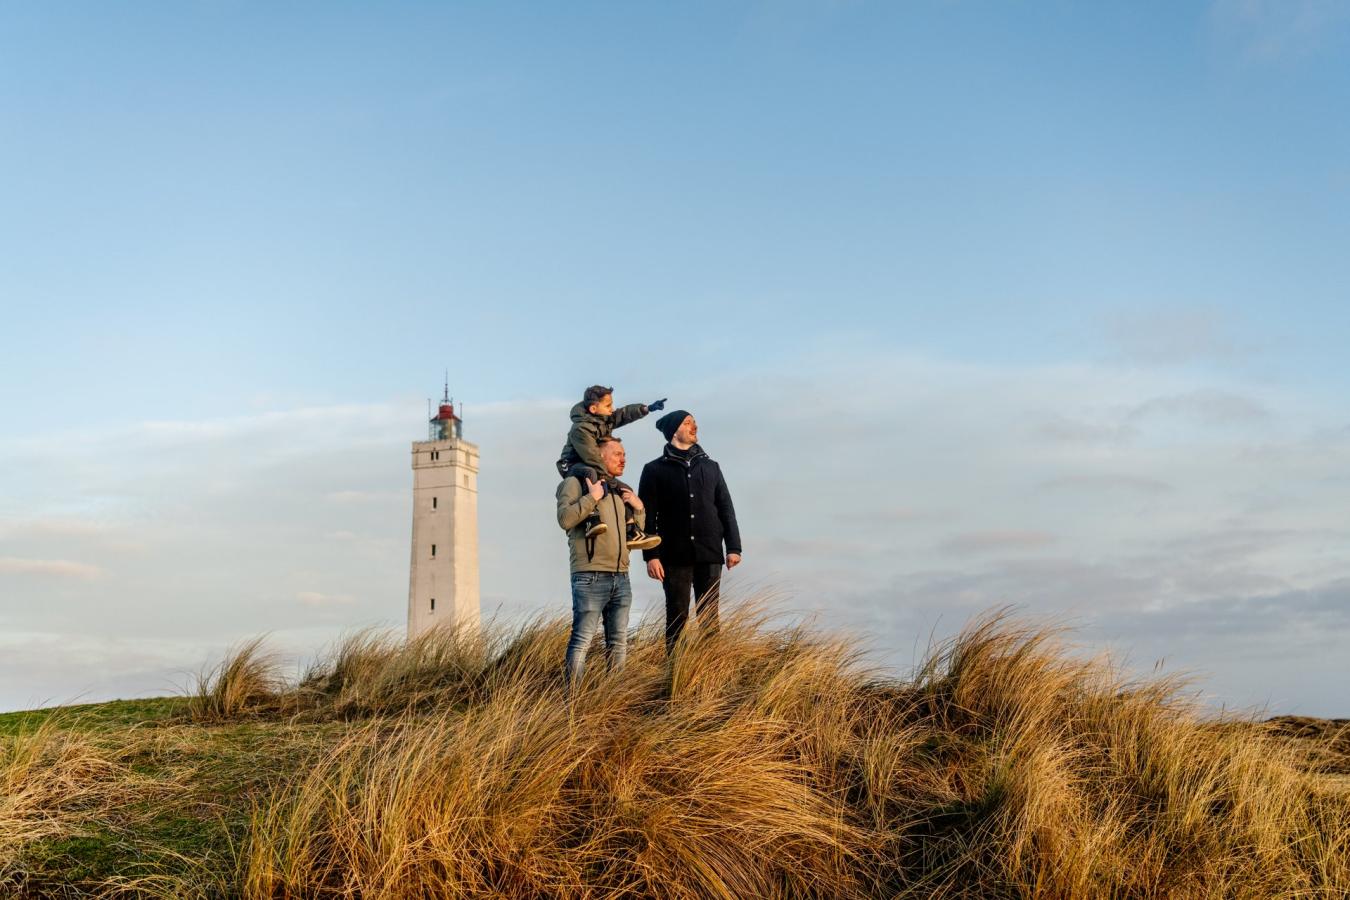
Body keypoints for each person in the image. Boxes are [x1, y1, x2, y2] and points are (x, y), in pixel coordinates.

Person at [638, 410, 742, 652]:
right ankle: (674, 670)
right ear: (674, 430)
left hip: (710, 552)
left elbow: (726, 508)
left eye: (694, 423)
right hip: (673, 556)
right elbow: (646, 517)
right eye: (687, 423)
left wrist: (734, 547)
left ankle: (709, 671)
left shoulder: (711, 467)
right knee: (677, 618)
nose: (694, 427)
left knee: (709, 618)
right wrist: (651, 555)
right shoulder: (653, 470)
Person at [556, 437, 647, 687]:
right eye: (617, 453)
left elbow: (633, 538)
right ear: (599, 456)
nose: (623, 458)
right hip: (590, 575)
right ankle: (572, 703)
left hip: (621, 576)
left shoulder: (619, 489)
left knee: (618, 643)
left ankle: (612, 701)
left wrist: (639, 510)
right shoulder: (575, 483)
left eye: (624, 453)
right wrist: (592, 498)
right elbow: (565, 519)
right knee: (582, 640)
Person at [556, 384, 664, 550]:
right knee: (591, 473)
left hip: (591, 462)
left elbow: (622, 415)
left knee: (624, 488)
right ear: (593, 408)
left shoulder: (604, 420)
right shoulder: (581, 428)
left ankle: (631, 530)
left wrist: (646, 409)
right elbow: (591, 456)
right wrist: (606, 478)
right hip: (572, 464)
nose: (612, 409)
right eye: (608, 405)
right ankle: (591, 518)